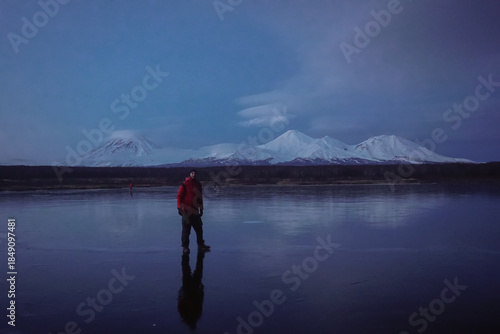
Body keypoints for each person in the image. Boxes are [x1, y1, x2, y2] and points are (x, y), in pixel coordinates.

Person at [177, 169, 210, 254]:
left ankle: (201, 245)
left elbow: (200, 198)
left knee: (199, 229)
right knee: (186, 231)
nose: (193, 175)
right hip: (186, 212)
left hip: (195, 212)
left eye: (195, 173)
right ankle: (185, 247)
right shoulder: (184, 184)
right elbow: (179, 196)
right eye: (192, 173)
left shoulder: (198, 184)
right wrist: (179, 208)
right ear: (189, 174)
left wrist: (201, 209)